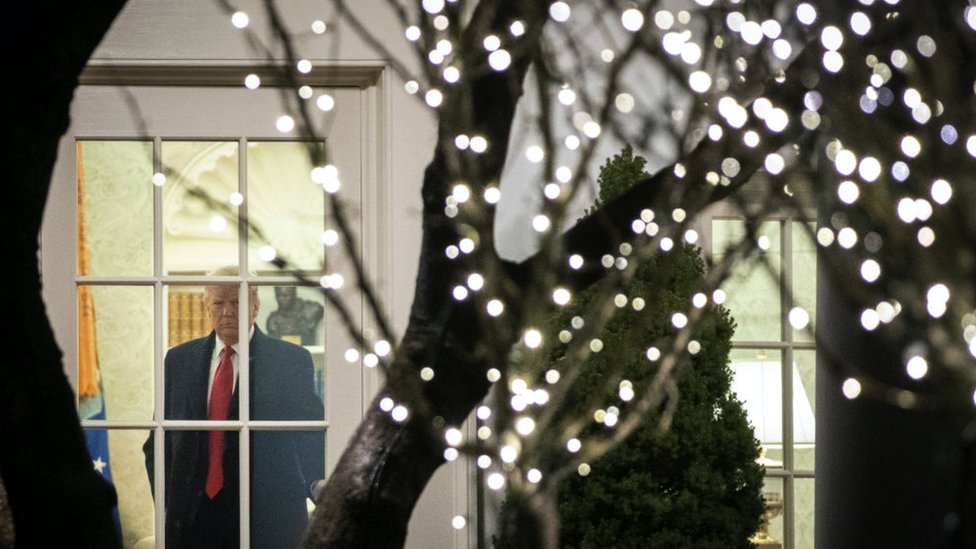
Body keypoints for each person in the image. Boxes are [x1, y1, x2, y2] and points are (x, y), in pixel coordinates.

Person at [144, 268, 324, 548]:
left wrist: (316, 484)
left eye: (237, 302)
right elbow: (157, 443)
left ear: (255, 306)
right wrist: (171, 503)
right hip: (192, 519)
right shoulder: (178, 360)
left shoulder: (290, 360)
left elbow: (310, 434)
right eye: (218, 302)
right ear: (206, 308)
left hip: (268, 516)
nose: (227, 311)